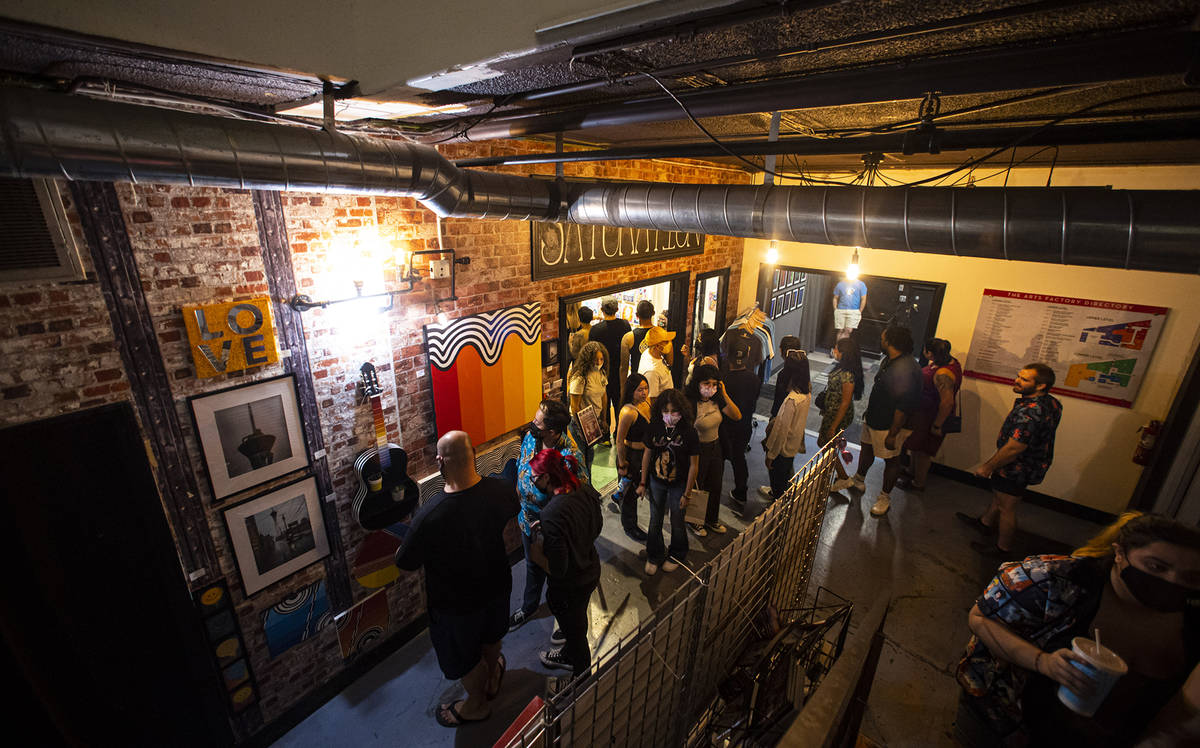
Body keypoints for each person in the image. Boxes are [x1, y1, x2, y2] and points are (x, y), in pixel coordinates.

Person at [954, 512, 1200, 747]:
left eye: (1189, 577)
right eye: (1156, 567)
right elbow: (980, 618)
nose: (1172, 582)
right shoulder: (1052, 580)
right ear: (1119, 553)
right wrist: (1042, 661)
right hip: (1008, 725)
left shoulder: (1190, 620)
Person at [394, 431, 518, 727]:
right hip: (498, 585)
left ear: (440, 462)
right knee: (492, 638)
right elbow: (512, 511)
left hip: (456, 604)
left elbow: (405, 563)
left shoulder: (431, 515)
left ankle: (476, 705)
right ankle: (491, 681)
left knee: (465, 659)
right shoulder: (501, 490)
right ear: (473, 453)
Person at [960, 363, 1063, 557]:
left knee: (1007, 506)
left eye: (1025, 379)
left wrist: (988, 466)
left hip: (1017, 467)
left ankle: (1003, 548)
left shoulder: (1030, 412)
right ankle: (985, 523)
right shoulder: (1052, 402)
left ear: (1040, 386)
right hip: (1032, 463)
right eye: (1019, 376)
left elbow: (1015, 447)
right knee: (1000, 497)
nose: (1017, 380)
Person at [510, 400, 588, 632]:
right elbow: (521, 469)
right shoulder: (531, 438)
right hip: (527, 521)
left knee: (558, 576)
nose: (532, 424)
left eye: (537, 422)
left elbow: (572, 501)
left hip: (552, 530)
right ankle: (529, 607)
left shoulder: (569, 458)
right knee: (532, 566)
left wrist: (547, 524)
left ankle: (563, 624)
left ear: (553, 432)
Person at [526, 448, 603, 676]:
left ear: (547, 477)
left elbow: (558, 569)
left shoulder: (551, 513)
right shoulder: (585, 489)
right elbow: (596, 527)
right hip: (590, 568)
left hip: (570, 585)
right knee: (578, 623)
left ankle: (581, 679)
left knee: (576, 633)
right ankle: (568, 653)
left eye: (534, 478)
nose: (532, 482)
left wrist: (537, 554)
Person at [843, 325, 921, 517]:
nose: (880, 340)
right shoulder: (890, 360)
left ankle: (884, 497)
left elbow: (904, 406)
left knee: (892, 460)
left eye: (883, 338)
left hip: (890, 425)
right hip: (875, 418)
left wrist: (893, 434)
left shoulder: (906, 369)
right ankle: (859, 479)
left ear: (891, 342)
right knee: (867, 448)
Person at [637, 388, 699, 576]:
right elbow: (647, 453)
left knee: (677, 520)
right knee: (655, 518)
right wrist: (642, 482)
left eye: (674, 411)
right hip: (657, 482)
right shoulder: (654, 427)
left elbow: (694, 465)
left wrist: (687, 493)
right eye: (666, 411)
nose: (670, 415)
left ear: (682, 411)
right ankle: (654, 554)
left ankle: (678, 553)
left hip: (679, 484)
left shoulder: (689, 432)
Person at [898, 338, 962, 492]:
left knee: (923, 452)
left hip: (931, 417)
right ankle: (911, 472)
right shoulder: (949, 362)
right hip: (922, 415)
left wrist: (937, 425)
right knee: (916, 447)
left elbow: (947, 402)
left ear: (929, 353)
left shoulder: (943, 374)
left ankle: (918, 483)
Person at [684, 364, 741, 536]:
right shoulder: (689, 402)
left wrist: (723, 393)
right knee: (698, 486)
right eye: (707, 383)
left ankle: (711, 519)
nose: (711, 388)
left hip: (716, 447)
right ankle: (694, 521)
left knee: (715, 485)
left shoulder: (717, 399)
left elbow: (736, 415)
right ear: (698, 383)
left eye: (714, 384)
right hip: (698, 450)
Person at [760, 347, 811, 501]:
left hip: (782, 450)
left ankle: (777, 513)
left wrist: (771, 455)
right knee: (784, 481)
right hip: (792, 447)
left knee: (778, 486)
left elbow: (781, 431)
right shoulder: (806, 393)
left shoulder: (792, 400)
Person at [720, 343, 761, 514]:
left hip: (725, 426)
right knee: (739, 458)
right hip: (744, 426)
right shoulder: (754, 379)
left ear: (728, 358)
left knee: (719, 458)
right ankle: (741, 492)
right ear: (746, 357)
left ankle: (712, 491)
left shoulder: (724, 380)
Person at [612, 373, 651, 542]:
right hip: (631, 456)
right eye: (639, 390)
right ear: (631, 391)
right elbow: (619, 440)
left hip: (645, 454)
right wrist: (622, 464)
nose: (644, 393)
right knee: (630, 495)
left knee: (637, 488)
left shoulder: (646, 404)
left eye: (646, 388)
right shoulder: (628, 411)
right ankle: (630, 526)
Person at [824, 337, 865, 490]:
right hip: (832, 412)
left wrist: (833, 426)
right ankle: (837, 473)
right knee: (829, 444)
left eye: (836, 348)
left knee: (826, 444)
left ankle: (843, 477)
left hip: (837, 415)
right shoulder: (842, 368)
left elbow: (845, 402)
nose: (834, 351)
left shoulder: (848, 375)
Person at [588, 297, 631, 440]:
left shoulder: (595, 330)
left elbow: (591, 352)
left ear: (602, 309)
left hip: (602, 372)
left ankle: (604, 437)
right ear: (617, 309)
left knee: (603, 405)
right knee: (619, 402)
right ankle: (620, 433)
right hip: (620, 371)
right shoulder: (625, 325)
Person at [567, 341, 608, 475]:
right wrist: (583, 428)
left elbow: (603, 396)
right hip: (580, 422)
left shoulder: (601, 373)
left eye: (601, 359)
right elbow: (575, 407)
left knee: (590, 456)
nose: (598, 362)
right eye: (595, 359)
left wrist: (603, 419)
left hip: (593, 420)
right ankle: (582, 487)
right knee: (581, 458)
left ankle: (588, 485)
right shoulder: (579, 377)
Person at [637, 325, 676, 406]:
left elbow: (670, 362)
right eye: (666, 341)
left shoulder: (649, 352)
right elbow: (652, 400)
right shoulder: (652, 371)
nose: (670, 343)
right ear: (658, 346)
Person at [621, 300, 657, 385]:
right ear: (653, 313)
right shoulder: (661, 334)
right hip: (655, 380)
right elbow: (670, 361)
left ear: (637, 315)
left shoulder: (628, 337)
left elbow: (623, 368)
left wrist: (623, 391)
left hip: (636, 383)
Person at [832, 271, 867, 339]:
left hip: (854, 311)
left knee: (848, 330)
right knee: (840, 330)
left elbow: (863, 299)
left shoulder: (861, 284)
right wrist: (835, 309)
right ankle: (837, 348)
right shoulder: (840, 284)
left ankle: (843, 348)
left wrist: (860, 311)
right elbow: (835, 298)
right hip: (841, 310)